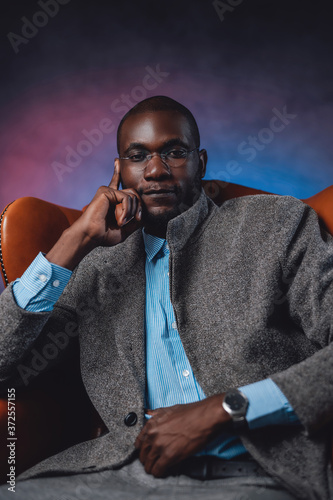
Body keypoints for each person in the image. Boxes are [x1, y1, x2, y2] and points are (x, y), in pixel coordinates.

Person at [0, 95, 332, 500]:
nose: (156, 170)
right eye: (138, 156)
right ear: (119, 171)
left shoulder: (276, 225)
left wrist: (226, 409)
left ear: (201, 162)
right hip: (119, 477)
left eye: (175, 152)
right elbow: (7, 369)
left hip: (260, 474)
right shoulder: (96, 268)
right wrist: (70, 245)